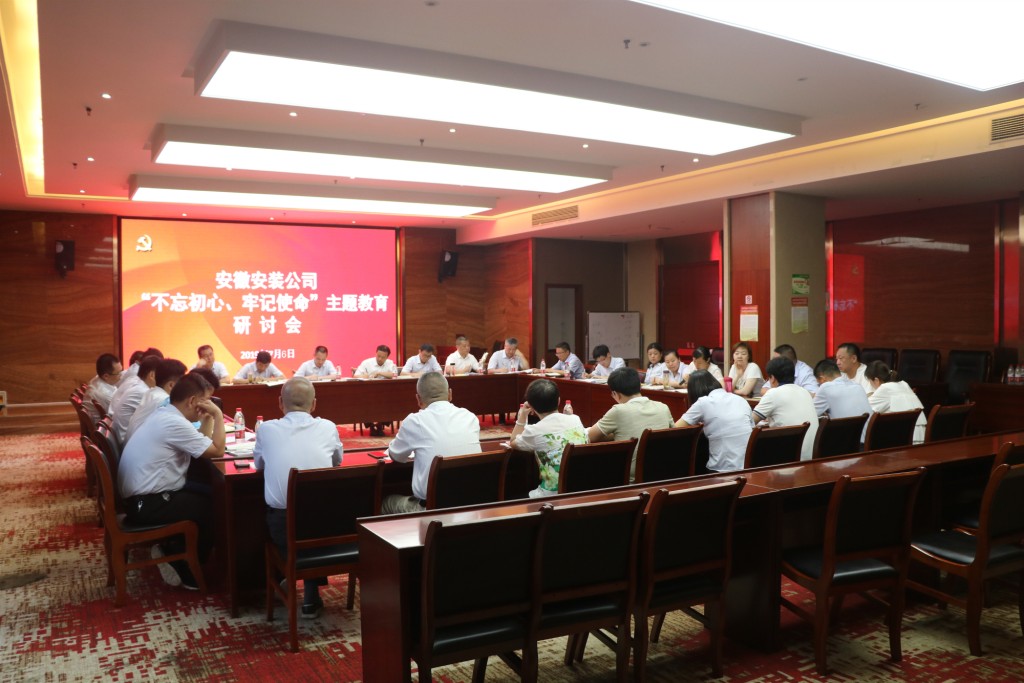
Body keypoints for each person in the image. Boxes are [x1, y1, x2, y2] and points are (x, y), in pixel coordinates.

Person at [117, 373, 225, 590]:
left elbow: (203, 446)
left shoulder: (166, 414)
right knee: (215, 507)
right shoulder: (173, 423)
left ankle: (176, 550)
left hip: (141, 499)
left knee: (209, 492)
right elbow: (217, 450)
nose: (208, 405)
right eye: (205, 401)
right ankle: (184, 566)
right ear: (192, 401)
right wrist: (218, 414)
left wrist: (207, 418)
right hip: (147, 504)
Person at [253, 377, 343, 619]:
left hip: (283, 527)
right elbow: (337, 461)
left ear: (280, 403)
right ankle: (310, 595)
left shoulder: (266, 429)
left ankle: (288, 576)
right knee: (313, 524)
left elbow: (259, 465)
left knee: (290, 530)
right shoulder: (328, 427)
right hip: (326, 527)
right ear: (314, 404)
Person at [381, 373, 481, 514]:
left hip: (433, 511)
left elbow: (396, 456)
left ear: (418, 399)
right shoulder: (470, 417)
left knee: (387, 503)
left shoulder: (416, 421)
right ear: (450, 394)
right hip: (472, 506)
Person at [587, 366, 674, 479]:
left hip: (629, 478)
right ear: (639, 386)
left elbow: (590, 437)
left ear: (615, 394)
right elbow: (674, 434)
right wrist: (618, 433)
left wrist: (614, 433)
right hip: (663, 474)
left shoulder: (618, 411)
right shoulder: (663, 407)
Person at [509, 379, 587, 497]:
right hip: (582, 490)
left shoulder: (534, 430)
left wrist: (523, 415)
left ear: (531, 407)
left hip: (551, 496)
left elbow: (513, 441)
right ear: (559, 400)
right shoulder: (575, 419)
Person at [675, 370, 753, 472]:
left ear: (694, 391)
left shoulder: (703, 402)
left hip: (723, 470)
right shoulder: (740, 399)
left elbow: (676, 429)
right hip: (750, 466)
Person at [753, 357, 818, 461]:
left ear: (772, 378)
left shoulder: (773, 393)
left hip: (789, 458)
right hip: (812, 457)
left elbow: (750, 421)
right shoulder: (805, 392)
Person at [125, 359, 188, 444]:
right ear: (171, 385)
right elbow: (186, 430)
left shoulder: (151, 393)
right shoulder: (164, 400)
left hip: (132, 445)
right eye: (183, 385)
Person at [864, 361, 927, 444]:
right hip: (921, 438)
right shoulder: (904, 384)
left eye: (870, 382)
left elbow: (864, 409)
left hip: (906, 440)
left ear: (876, 380)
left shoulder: (885, 388)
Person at [109, 355, 161, 444]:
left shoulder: (138, 385)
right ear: (152, 375)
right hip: (126, 442)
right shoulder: (143, 392)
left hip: (122, 437)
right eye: (161, 375)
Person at [85, 353, 123, 421]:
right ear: (106, 376)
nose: (121, 376)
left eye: (121, 371)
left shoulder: (97, 379)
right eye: (118, 373)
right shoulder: (104, 394)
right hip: (105, 425)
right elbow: (122, 415)